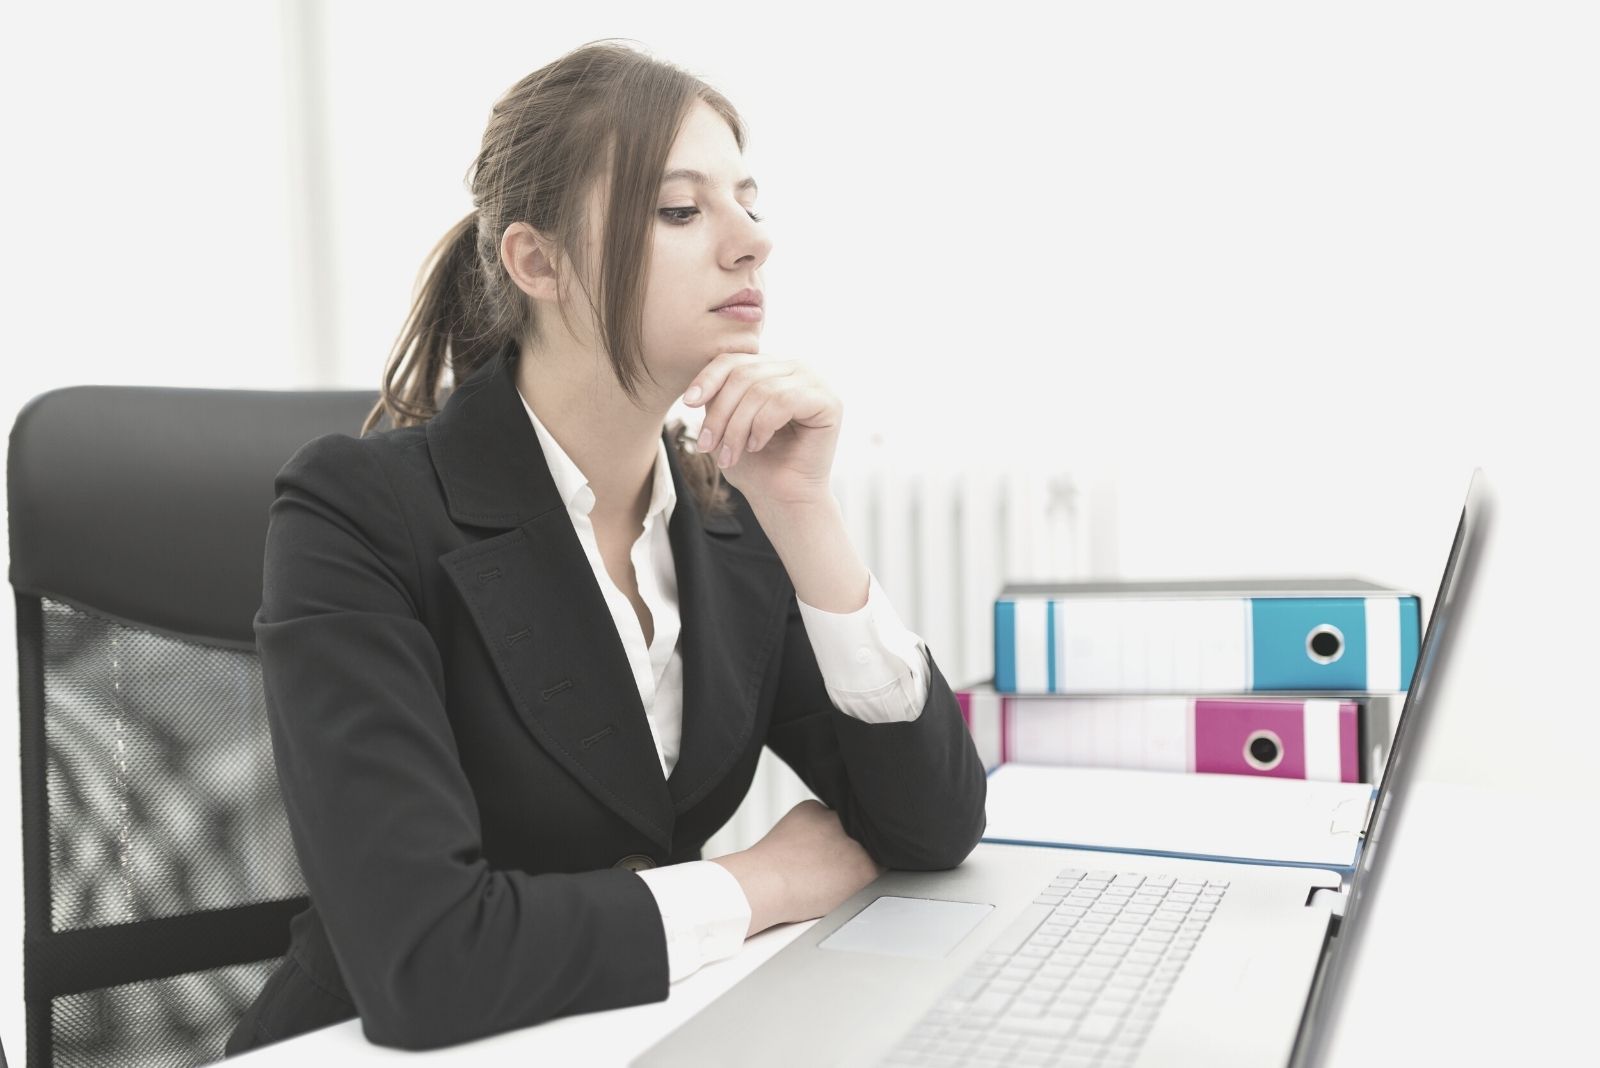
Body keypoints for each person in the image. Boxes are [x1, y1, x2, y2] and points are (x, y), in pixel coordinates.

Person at [224, 38, 987, 1056]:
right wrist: (752, 884)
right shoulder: (357, 511)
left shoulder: (728, 520)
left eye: (747, 201)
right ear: (538, 262)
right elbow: (427, 962)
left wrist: (805, 513)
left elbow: (928, 827)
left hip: (621, 1035)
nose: (750, 241)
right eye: (681, 210)